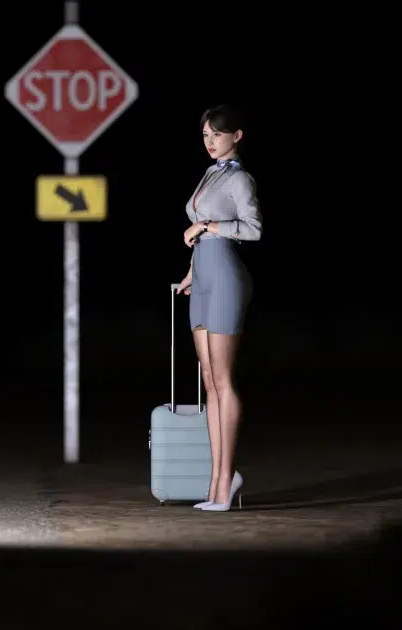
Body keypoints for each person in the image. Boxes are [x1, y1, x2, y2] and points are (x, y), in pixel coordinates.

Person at [174, 104, 262, 512]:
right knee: (208, 380)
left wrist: (207, 225)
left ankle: (226, 482)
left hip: (227, 277)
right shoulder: (211, 174)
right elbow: (201, 240)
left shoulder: (240, 178)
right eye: (206, 135)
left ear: (237, 136)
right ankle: (214, 482)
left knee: (223, 380)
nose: (210, 141)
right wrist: (192, 273)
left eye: (218, 134)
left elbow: (254, 229)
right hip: (204, 279)